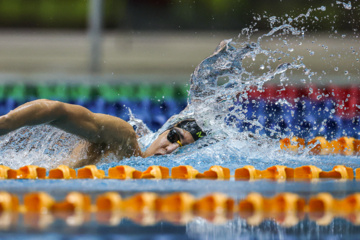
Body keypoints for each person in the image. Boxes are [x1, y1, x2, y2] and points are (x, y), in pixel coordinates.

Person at [0, 99, 206, 168]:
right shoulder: (122, 139)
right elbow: (56, 110)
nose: (170, 149)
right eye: (173, 137)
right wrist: (5, 124)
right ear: (163, 131)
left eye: (181, 147)